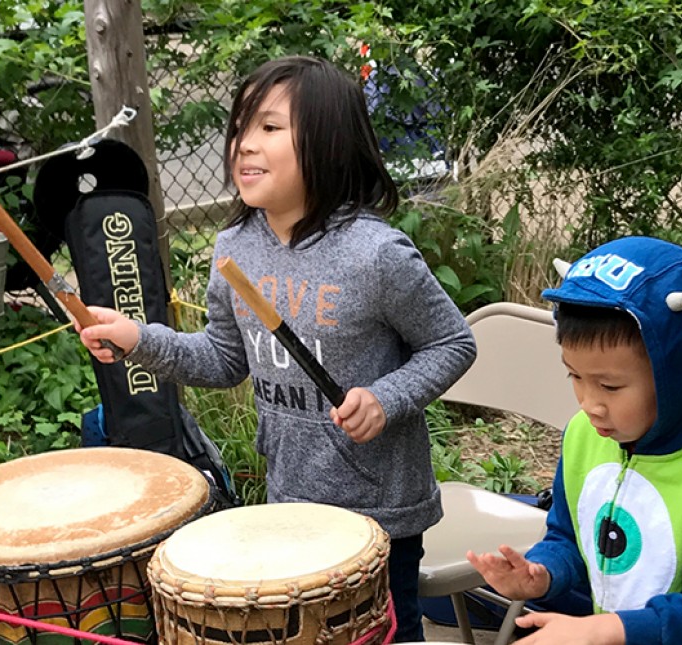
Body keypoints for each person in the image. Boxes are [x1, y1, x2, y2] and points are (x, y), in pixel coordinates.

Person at [77, 55, 477, 642]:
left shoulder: (376, 255)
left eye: (268, 127)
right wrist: (140, 339)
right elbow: (222, 359)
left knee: (387, 635)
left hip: (382, 512)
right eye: (241, 126)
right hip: (291, 497)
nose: (243, 143)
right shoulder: (234, 248)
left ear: (328, 143)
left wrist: (386, 398)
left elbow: (452, 342)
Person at [467, 237, 682, 645]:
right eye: (574, 376)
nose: (590, 405)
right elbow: (569, 536)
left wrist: (604, 629)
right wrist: (541, 574)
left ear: (678, 378)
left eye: (610, 385)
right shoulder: (584, 436)